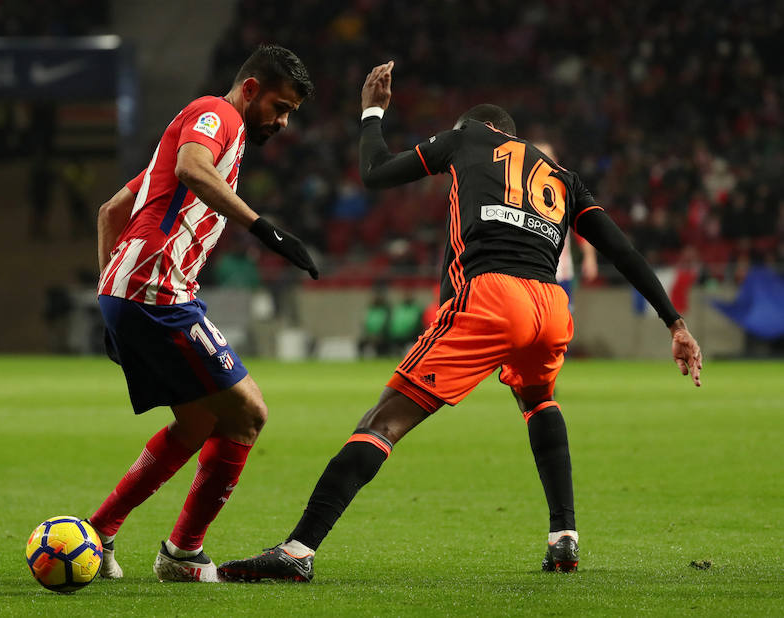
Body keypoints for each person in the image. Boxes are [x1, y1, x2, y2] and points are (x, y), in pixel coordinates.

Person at [218, 61, 702, 582]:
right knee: (538, 399)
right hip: (551, 305)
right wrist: (674, 322)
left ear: (476, 127)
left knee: (383, 421)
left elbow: (375, 171)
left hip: (493, 296)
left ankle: (297, 552)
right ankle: (564, 537)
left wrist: (372, 112)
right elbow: (621, 248)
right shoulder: (560, 174)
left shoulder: (468, 137)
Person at [85, 44, 318, 584]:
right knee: (248, 413)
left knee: (198, 421)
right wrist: (267, 230)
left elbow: (111, 212)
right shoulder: (219, 115)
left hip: (132, 291)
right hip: (158, 291)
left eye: (291, 114)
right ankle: (182, 553)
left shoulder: (197, 134)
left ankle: (99, 533)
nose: (282, 122)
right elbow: (192, 169)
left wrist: (109, 295)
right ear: (252, 88)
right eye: (280, 107)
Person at [533, 143, 598, 310]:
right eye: (536, 155)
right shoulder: (519, 190)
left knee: (560, 329)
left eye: (546, 156)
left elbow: (583, 226)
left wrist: (589, 257)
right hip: (529, 275)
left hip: (560, 276)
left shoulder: (565, 191)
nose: (541, 160)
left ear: (555, 160)